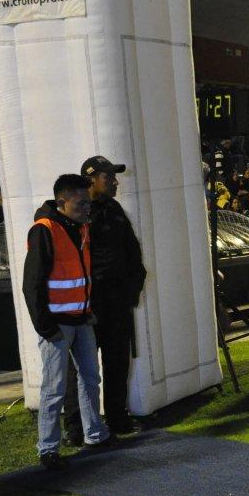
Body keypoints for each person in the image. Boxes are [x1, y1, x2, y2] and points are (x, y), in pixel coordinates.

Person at [22, 174, 114, 471]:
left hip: (80, 319)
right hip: (59, 325)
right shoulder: (44, 230)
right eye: (81, 202)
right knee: (55, 387)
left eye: (87, 202)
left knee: (89, 379)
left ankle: (95, 435)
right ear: (62, 202)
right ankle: (48, 449)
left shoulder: (80, 227)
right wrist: (45, 327)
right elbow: (32, 284)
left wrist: (88, 311)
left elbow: (81, 275)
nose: (87, 207)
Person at [62, 156, 146, 444]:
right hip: (88, 307)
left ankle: (117, 419)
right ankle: (75, 428)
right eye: (109, 176)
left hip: (117, 304)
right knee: (81, 369)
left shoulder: (115, 209)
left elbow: (133, 253)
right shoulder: (77, 214)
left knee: (117, 362)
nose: (114, 181)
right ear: (91, 179)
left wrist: (132, 290)